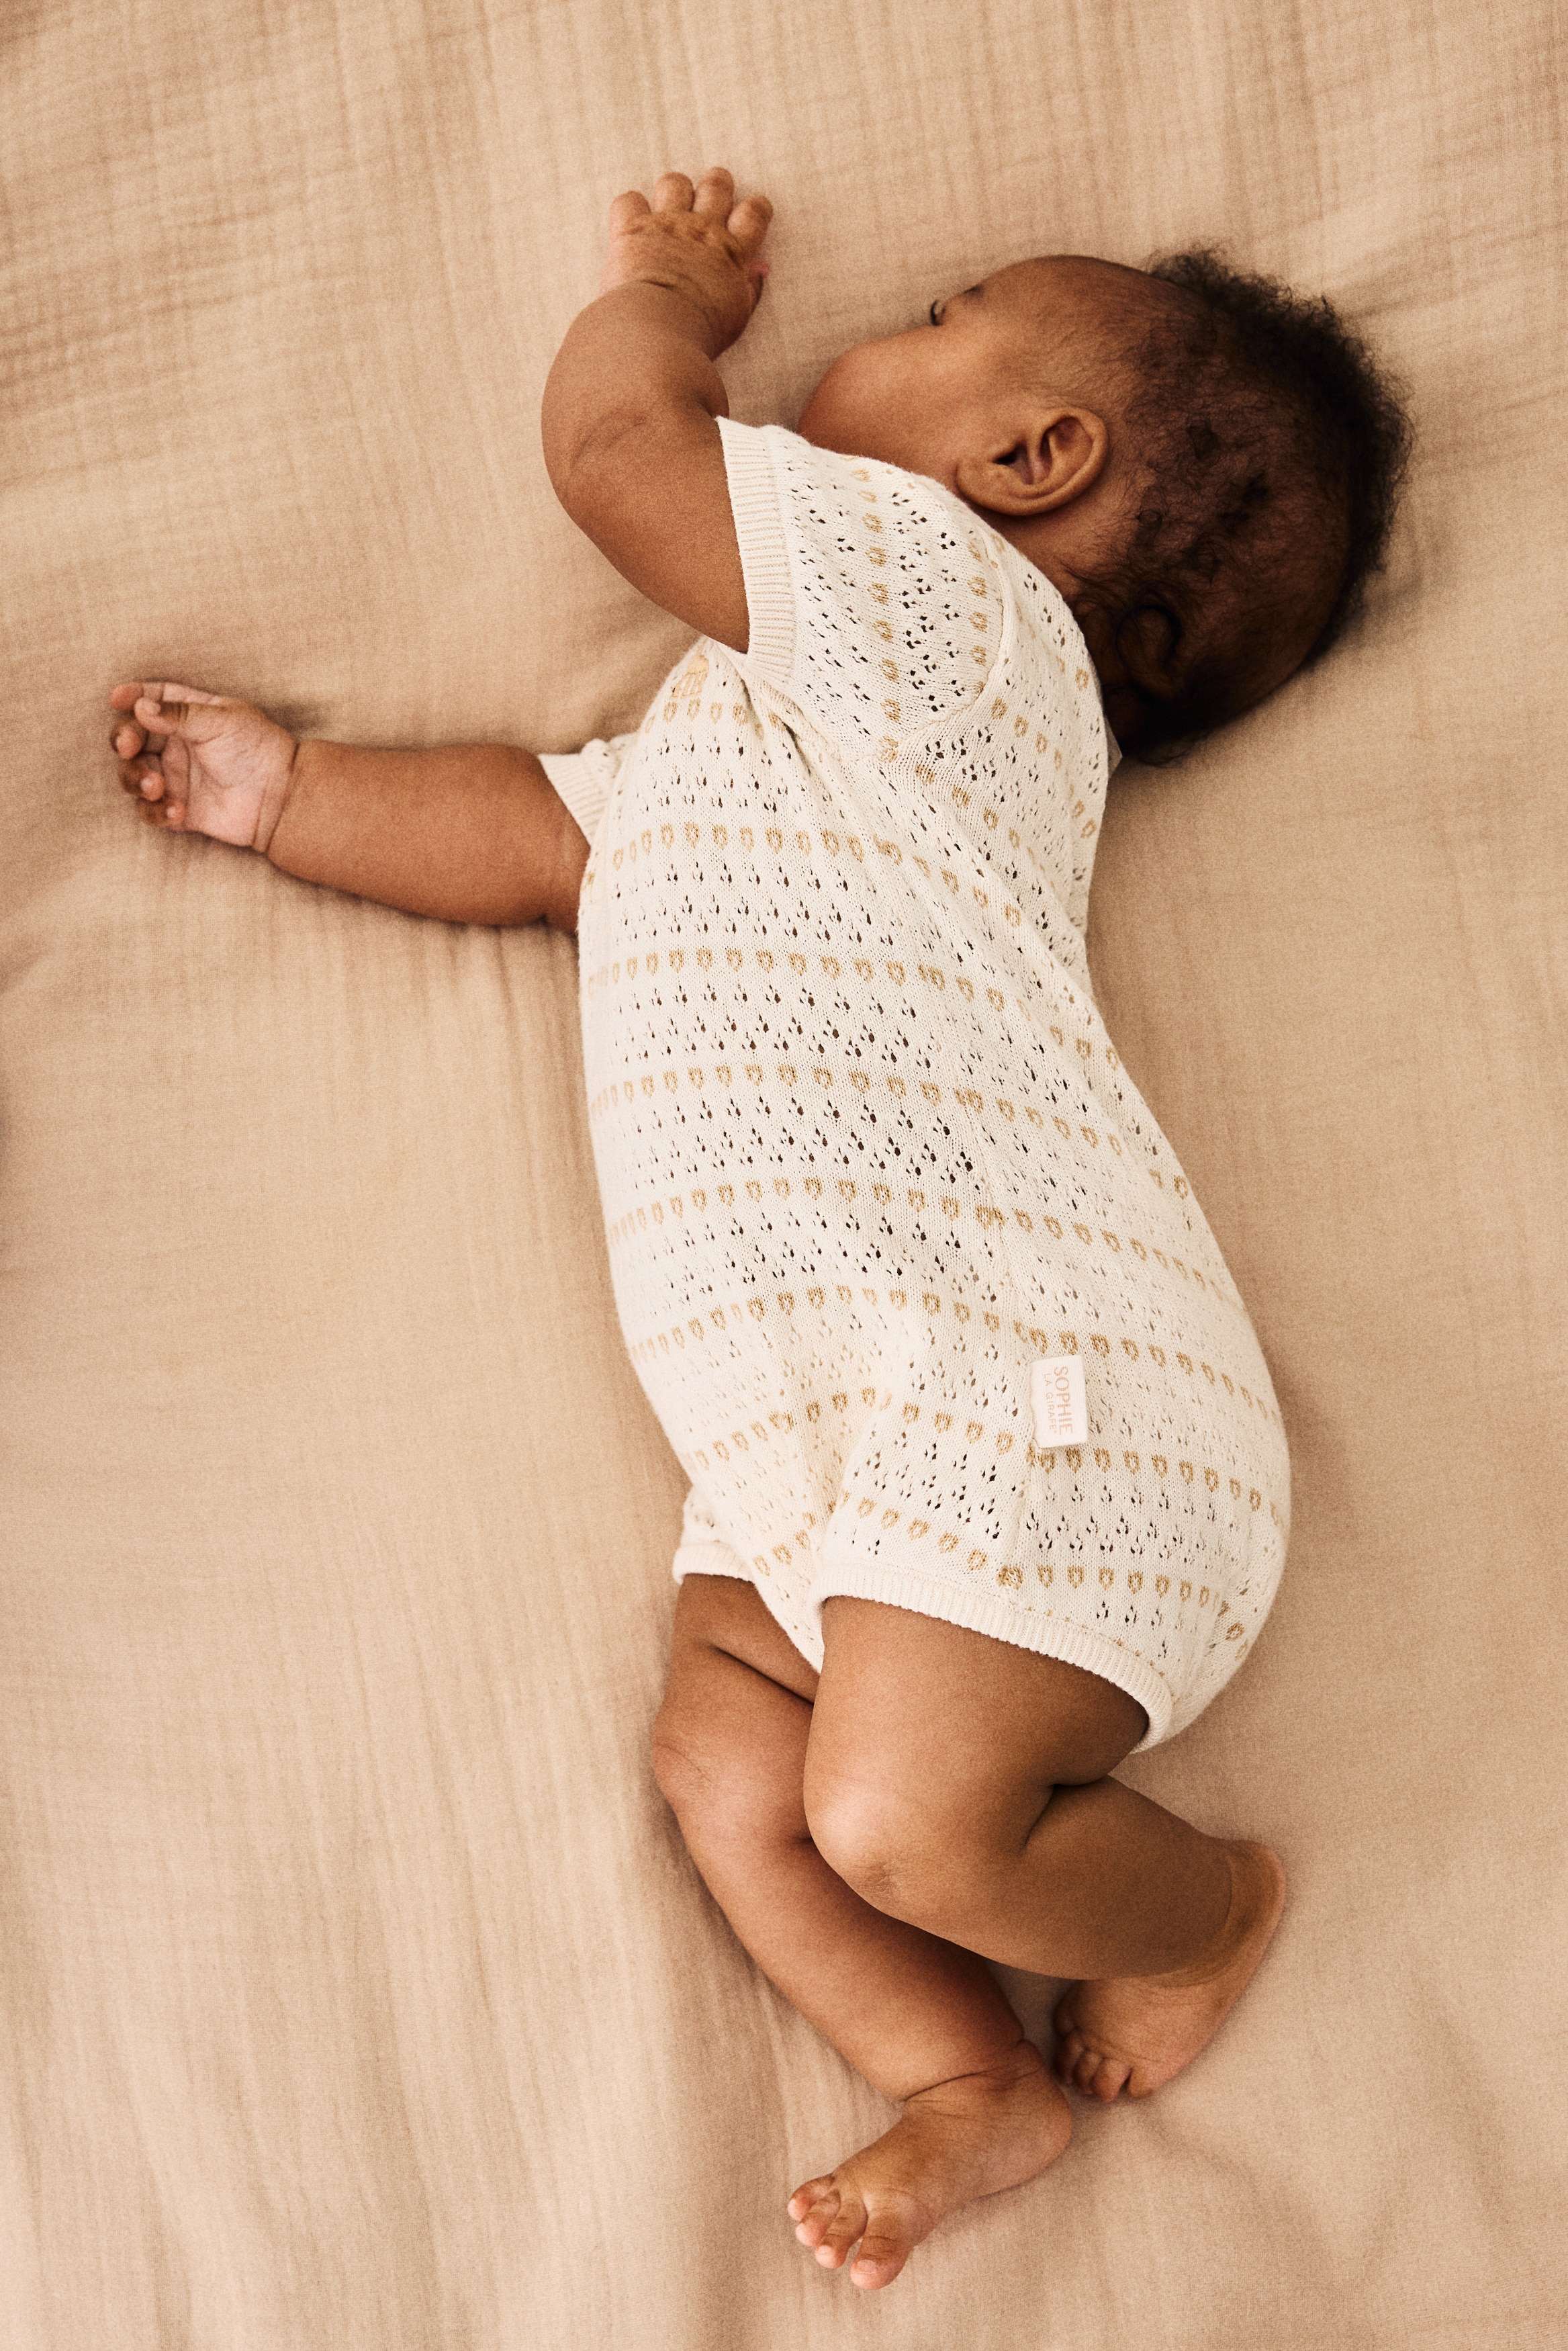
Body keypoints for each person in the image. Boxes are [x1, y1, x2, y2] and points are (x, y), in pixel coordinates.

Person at [107, 167, 1410, 2291]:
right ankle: (964, 2072)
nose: (877, 336)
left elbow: (620, 460)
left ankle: (1205, 1907)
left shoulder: (947, 613)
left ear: (1032, 462)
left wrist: (667, 305)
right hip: (842, 1437)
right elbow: (554, 838)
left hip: (1028, 1386)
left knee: (894, 1816)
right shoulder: (794, 748)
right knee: (731, 1764)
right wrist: (294, 797)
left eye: (939, 315)